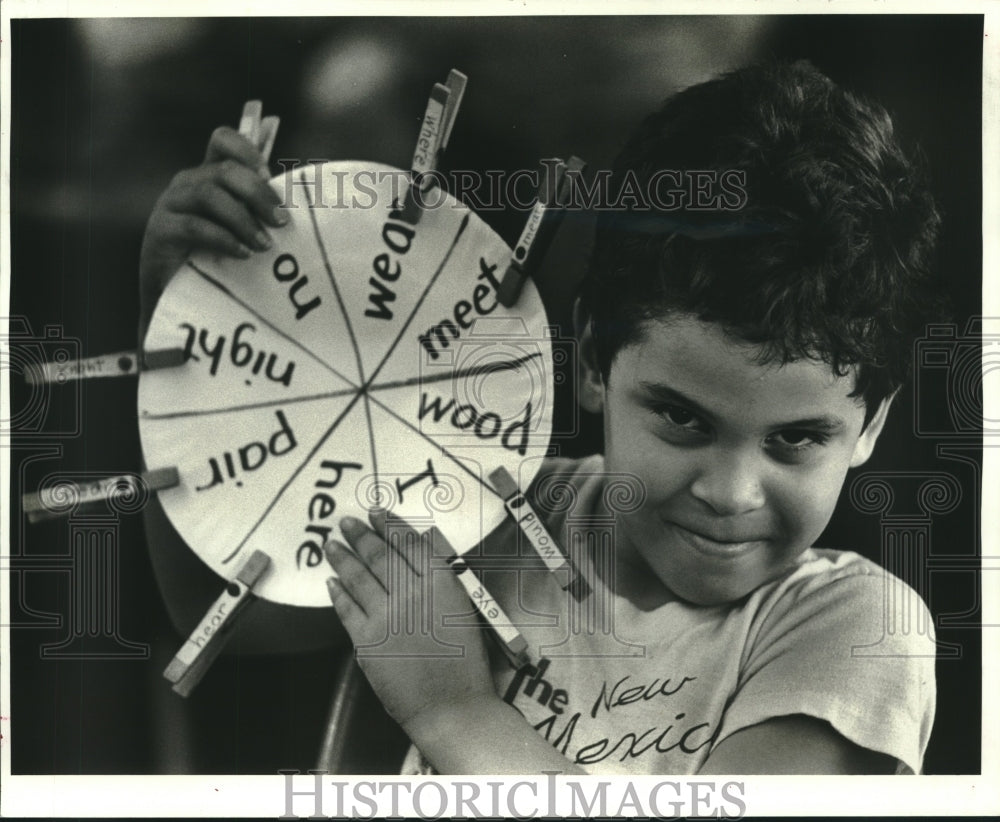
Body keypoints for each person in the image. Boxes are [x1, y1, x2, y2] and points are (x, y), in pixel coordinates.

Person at [139, 60, 941, 775]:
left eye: (795, 439)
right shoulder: (469, 505)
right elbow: (217, 619)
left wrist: (454, 710)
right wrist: (187, 326)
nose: (731, 493)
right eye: (682, 419)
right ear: (592, 359)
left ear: (870, 423)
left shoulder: (858, 632)